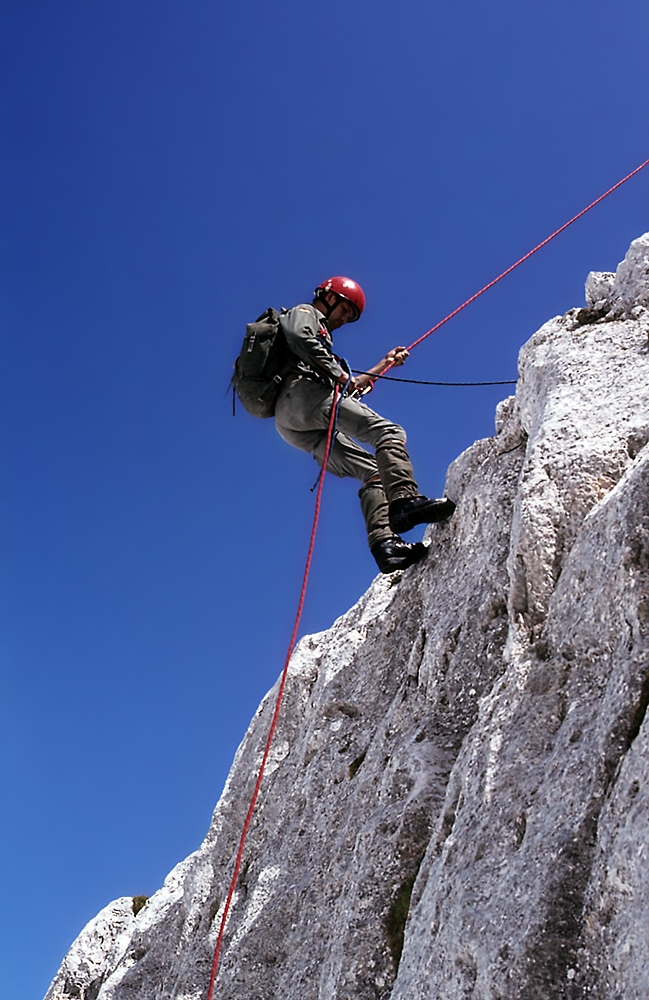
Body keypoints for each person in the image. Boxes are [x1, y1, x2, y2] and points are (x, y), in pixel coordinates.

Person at [274, 276, 455, 573]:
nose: (346, 319)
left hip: (291, 422)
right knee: (389, 432)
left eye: (352, 316)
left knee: (373, 473)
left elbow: (351, 387)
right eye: (346, 310)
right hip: (303, 395)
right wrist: (338, 374)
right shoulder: (306, 313)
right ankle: (405, 499)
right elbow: (300, 336)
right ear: (330, 297)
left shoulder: (318, 347)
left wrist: (384, 364)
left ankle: (385, 545)